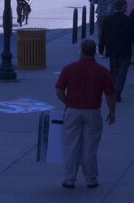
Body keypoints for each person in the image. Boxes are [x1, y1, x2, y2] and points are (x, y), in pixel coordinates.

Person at [55, 39, 116, 190]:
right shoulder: (102, 71)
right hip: (93, 111)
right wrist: (112, 111)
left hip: (73, 110)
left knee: (72, 145)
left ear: (81, 51)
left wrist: (67, 102)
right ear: (95, 51)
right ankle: (91, 179)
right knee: (90, 147)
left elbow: (59, 90)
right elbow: (110, 94)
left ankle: (69, 179)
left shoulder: (69, 69)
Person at [98, 0, 134, 101]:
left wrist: (101, 47)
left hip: (112, 49)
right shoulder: (128, 20)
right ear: (123, 7)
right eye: (126, 6)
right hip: (125, 50)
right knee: (122, 72)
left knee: (114, 71)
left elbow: (103, 35)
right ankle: (117, 92)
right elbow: (133, 35)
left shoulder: (108, 19)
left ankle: (113, 91)